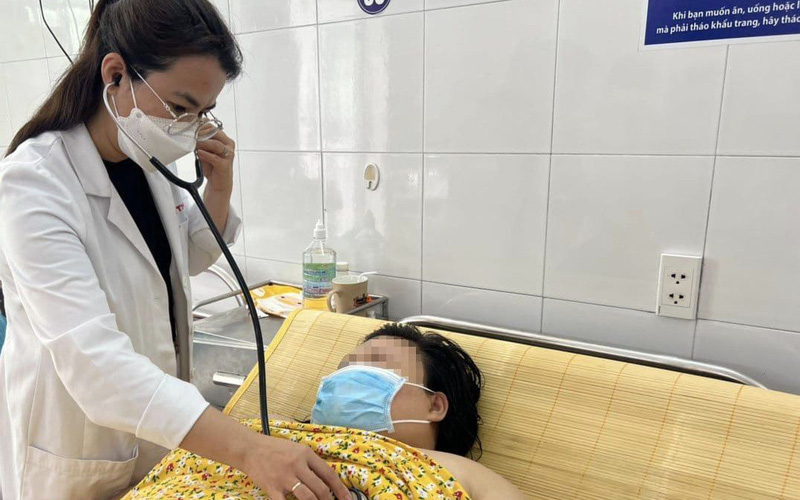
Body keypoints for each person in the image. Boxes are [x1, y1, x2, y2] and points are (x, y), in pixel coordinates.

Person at [0, 1, 350, 499]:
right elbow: (93, 363)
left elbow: (186, 260)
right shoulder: (35, 183)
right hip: (76, 448)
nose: (188, 128)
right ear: (115, 74)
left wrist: (220, 189)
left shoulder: (147, 164)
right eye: (180, 108)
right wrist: (250, 450)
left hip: (153, 437)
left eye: (202, 113)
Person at [124, 324, 527, 500]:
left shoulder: (453, 470)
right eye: (344, 368)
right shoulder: (248, 437)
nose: (347, 376)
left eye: (375, 366)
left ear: (434, 404)